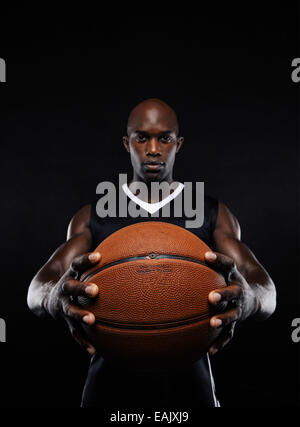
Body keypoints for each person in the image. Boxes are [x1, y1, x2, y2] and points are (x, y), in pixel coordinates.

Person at [27, 98, 276, 408]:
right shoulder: (93, 216)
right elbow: (38, 289)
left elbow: (265, 289)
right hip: (109, 390)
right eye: (142, 137)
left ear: (179, 143)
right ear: (127, 142)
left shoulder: (212, 213)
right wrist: (56, 297)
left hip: (190, 390)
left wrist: (248, 299)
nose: (154, 149)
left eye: (165, 138)